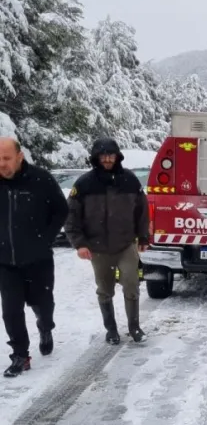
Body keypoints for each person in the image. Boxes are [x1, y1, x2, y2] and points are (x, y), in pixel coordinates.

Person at [65, 138, 150, 344]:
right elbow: (71, 216)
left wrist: (143, 236)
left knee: (131, 285)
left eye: (111, 155)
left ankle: (134, 327)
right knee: (105, 290)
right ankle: (111, 329)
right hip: (98, 248)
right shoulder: (84, 184)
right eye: (103, 156)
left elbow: (142, 211)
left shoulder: (130, 180)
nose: (107, 159)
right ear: (96, 158)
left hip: (126, 245)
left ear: (117, 157)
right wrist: (80, 243)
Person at [0, 137, 68, 378]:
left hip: (38, 260)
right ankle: (21, 355)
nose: (2, 164)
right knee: (10, 310)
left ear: (19, 157)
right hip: (6, 262)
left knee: (42, 304)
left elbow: (62, 210)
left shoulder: (41, 180)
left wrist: (45, 238)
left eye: (6, 158)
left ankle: (45, 327)